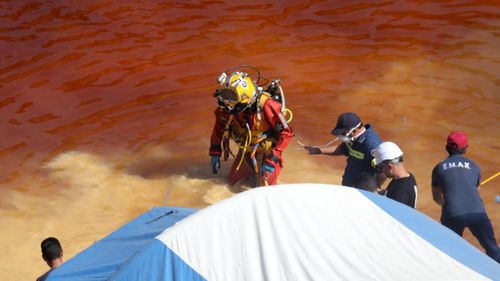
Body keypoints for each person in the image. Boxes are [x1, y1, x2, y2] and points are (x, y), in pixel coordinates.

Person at [209, 66, 294, 187]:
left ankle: (272, 169)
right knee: (231, 185)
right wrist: (215, 153)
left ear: (245, 98)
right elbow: (219, 127)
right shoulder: (228, 107)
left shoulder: (267, 105)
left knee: (266, 189)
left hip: (268, 152)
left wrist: (273, 159)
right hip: (246, 150)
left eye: (231, 96)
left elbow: (286, 133)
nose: (227, 101)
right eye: (225, 94)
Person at [432, 131, 500, 262]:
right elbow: (476, 189)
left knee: (449, 253)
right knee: (493, 250)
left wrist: (449, 203)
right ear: (465, 149)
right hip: (477, 212)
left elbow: (436, 197)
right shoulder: (474, 166)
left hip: (453, 213)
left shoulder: (439, 168)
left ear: (447, 147)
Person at [303, 112, 383, 188]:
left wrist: (375, 188)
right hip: (350, 186)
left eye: (343, 133)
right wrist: (318, 150)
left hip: (362, 191)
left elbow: (383, 170)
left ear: (353, 131)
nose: (341, 136)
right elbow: (343, 149)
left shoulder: (371, 146)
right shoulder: (353, 139)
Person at [373, 141, 418, 208]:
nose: (381, 171)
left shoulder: (400, 192)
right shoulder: (405, 178)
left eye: (380, 167)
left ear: (389, 166)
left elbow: (391, 215)